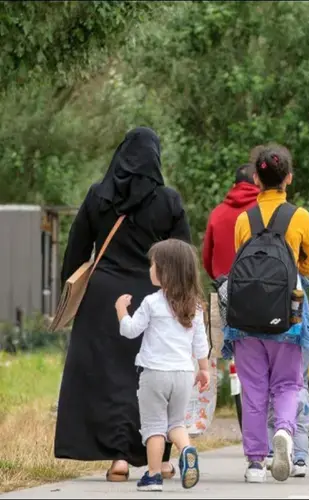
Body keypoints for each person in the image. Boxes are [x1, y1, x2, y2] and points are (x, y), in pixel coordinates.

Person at [54, 127, 192, 482]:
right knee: (147, 378)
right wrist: (184, 304)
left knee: (107, 379)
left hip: (102, 299)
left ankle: (117, 457)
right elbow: (181, 256)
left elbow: (77, 247)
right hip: (153, 299)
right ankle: (156, 460)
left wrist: (69, 291)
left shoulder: (99, 194)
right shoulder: (169, 201)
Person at [227, 144, 309, 483]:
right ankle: (283, 431)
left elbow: (240, 261)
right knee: (287, 384)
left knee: (253, 389)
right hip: (289, 315)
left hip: (246, 319)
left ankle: (255, 463)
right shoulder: (300, 217)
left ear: (256, 179)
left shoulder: (243, 219)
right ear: (288, 179)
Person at [116, 239, 210, 491]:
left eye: (153, 265)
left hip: (155, 374)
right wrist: (204, 369)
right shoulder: (196, 306)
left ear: (166, 271)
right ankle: (187, 448)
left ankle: (153, 475)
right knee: (176, 423)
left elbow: (130, 331)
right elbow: (201, 343)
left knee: (154, 427)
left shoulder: (151, 302)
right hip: (183, 374)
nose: (150, 269)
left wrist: (121, 310)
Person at [265, 300, 309, 478]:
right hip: (301, 392)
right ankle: (300, 461)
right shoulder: (307, 340)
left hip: (278, 393)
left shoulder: (278, 340)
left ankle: (271, 454)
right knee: (301, 428)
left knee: (272, 423)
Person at [202, 158, 261, 280]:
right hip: (258, 286)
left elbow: (207, 258)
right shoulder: (266, 211)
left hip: (224, 288)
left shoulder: (216, 213)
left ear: (234, 186)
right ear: (259, 183)